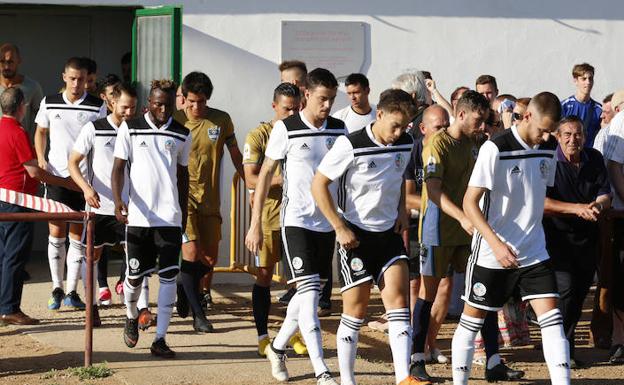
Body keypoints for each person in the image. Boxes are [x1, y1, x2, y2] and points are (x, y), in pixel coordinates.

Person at [452, 92, 570, 385]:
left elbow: (536, 197)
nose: (545, 137)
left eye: (550, 131)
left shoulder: (549, 148)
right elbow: (469, 203)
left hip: (533, 251)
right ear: (527, 115)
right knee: (471, 322)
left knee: (553, 322)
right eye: (543, 129)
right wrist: (495, 244)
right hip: (492, 253)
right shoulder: (496, 148)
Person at [312, 88, 425, 385]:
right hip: (356, 236)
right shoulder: (350, 144)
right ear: (380, 114)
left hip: (388, 234)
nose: (399, 132)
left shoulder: (406, 143)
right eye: (395, 125)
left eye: (405, 126)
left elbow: (399, 177)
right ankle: (348, 381)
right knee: (356, 311)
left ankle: (404, 378)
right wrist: (339, 226)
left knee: (400, 303)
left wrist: (402, 210)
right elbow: (319, 184)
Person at [411, 91, 522, 383]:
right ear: (461, 115)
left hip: (468, 230)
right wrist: (462, 216)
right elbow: (433, 190)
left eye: (486, 120)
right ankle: (416, 360)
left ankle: (493, 361)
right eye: (479, 119)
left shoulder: (476, 143)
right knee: (429, 294)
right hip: (439, 230)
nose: (483, 125)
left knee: (481, 292)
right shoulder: (438, 143)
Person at [245, 68, 344, 385]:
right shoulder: (286, 129)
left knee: (305, 296)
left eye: (331, 100)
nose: (326, 106)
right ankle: (322, 370)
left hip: (327, 223)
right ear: (307, 96)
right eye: (321, 99)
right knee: (311, 296)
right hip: (296, 221)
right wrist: (255, 224)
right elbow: (262, 178)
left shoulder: (339, 130)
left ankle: (276, 346)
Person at [112, 79, 191, 358]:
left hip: (169, 219)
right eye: (158, 103)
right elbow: (118, 167)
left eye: (168, 104)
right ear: (149, 103)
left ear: (174, 104)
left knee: (169, 278)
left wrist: (183, 215)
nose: (162, 109)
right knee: (134, 277)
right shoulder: (130, 128)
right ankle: (131, 316)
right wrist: (119, 200)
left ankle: (160, 338)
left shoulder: (182, 133)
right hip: (139, 218)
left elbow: (183, 178)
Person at [68, 83, 153, 329]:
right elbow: (73, 162)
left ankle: (143, 308)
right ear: (111, 103)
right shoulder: (94, 129)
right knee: (91, 255)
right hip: (99, 206)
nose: (129, 112)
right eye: (125, 107)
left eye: (134, 108)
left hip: (132, 207)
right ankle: (92, 306)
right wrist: (86, 188)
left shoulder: (139, 129)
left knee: (137, 256)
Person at [0, 87, 78, 326]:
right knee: (14, 256)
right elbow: (33, 171)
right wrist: (66, 183)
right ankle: (9, 308)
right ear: (22, 106)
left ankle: (5, 306)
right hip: (18, 201)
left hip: (3, 199)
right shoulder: (18, 132)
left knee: (3, 256)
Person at [34, 57, 106, 311]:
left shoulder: (98, 106)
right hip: (56, 177)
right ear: (64, 77)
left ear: (88, 79)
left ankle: (72, 291)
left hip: (83, 181)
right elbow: (41, 131)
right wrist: (42, 158)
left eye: (82, 79)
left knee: (78, 237)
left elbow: (103, 141)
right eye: (72, 78)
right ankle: (56, 287)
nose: (77, 84)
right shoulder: (49, 102)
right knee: (56, 232)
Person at [173, 71, 244, 327]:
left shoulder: (221, 120)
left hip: (211, 200)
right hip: (183, 200)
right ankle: (198, 313)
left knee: (210, 259)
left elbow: (236, 154)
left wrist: (252, 184)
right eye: (191, 101)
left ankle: (185, 284)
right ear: (183, 98)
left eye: (201, 101)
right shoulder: (175, 120)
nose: (196, 107)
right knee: (191, 253)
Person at [243, 82, 307, 356]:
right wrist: (282, 178)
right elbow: (251, 177)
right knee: (265, 276)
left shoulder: (304, 131)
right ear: (274, 106)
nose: (291, 115)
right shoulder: (259, 135)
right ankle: (262, 336)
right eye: (286, 109)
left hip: (298, 216)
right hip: (269, 216)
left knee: (300, 281)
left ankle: (291, 333)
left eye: (296, 109)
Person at [543, 116, 611, 368]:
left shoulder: (593, 158)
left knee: (580, 294)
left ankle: (566, 349)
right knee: (566, 292)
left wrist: (597, 205)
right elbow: (543, 203)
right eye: (568, 135)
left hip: (588, 238)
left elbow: (605, 193)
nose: (574, 140)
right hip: (556, 239)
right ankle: (559, 352)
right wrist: (576, 209)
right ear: (558, 137)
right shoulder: (549, 162)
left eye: (578, 134)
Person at [404, 105, 452, 364]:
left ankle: (429, 343)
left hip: (447, 226)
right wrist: (436, 200)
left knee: (445, 285)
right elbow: (406, 196)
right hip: (416, 227)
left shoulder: (453, 148)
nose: (444, 131)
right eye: (438, 127)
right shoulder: (413, 151)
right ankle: (417, 345)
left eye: (447, 126)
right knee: (416, 287)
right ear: (423, 129)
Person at [602, 89, 624, 364]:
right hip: (621, 213)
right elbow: (614, 165)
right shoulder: (621, 120)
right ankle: (619, 339)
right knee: (619, 279)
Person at [0, 43, 44, 139]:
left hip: (20, 147)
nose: (6, 66)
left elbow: (42, 120)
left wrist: (33, 143)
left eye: (10, 62)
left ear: (19, 61)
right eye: (2, 61)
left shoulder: (32, 87)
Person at [561, 63, 602, 148]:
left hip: (588, 156)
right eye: (584, 79)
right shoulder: (564, 106)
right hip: (567, 155)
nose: (588, 82)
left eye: (590, 79)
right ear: (575, 81)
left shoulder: (599, 109)